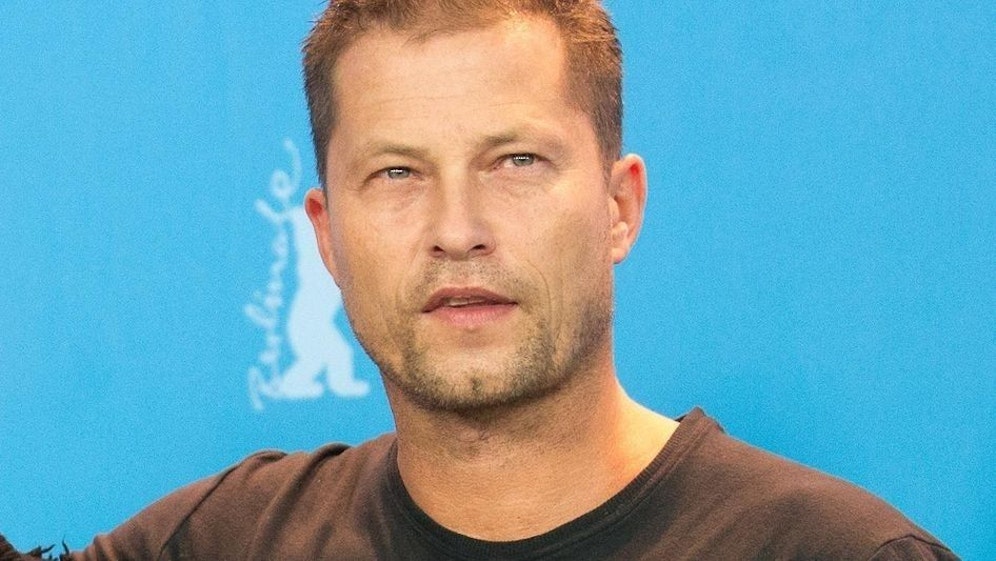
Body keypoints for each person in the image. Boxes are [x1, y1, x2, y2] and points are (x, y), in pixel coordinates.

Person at [1, 1, 958, 559]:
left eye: (515, 162)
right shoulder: (227, 542)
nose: (456, 231)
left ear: (620, 206)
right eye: (397, 173)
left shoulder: (835, 551)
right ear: (327, 238)